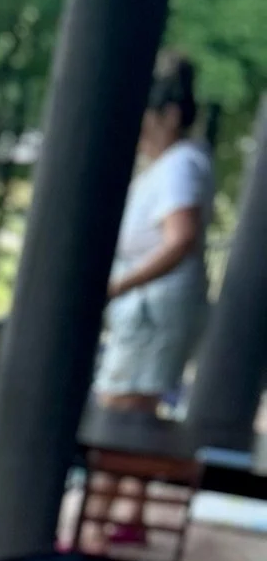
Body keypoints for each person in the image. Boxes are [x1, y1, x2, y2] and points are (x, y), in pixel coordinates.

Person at [96, 55, 213, 415]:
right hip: (147, 315)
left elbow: (180, 239)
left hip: (150, 316)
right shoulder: (176, 163)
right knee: (125, 415)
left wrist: (121, 284)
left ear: (170, 117)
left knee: (121, 414)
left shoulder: (179, 166)